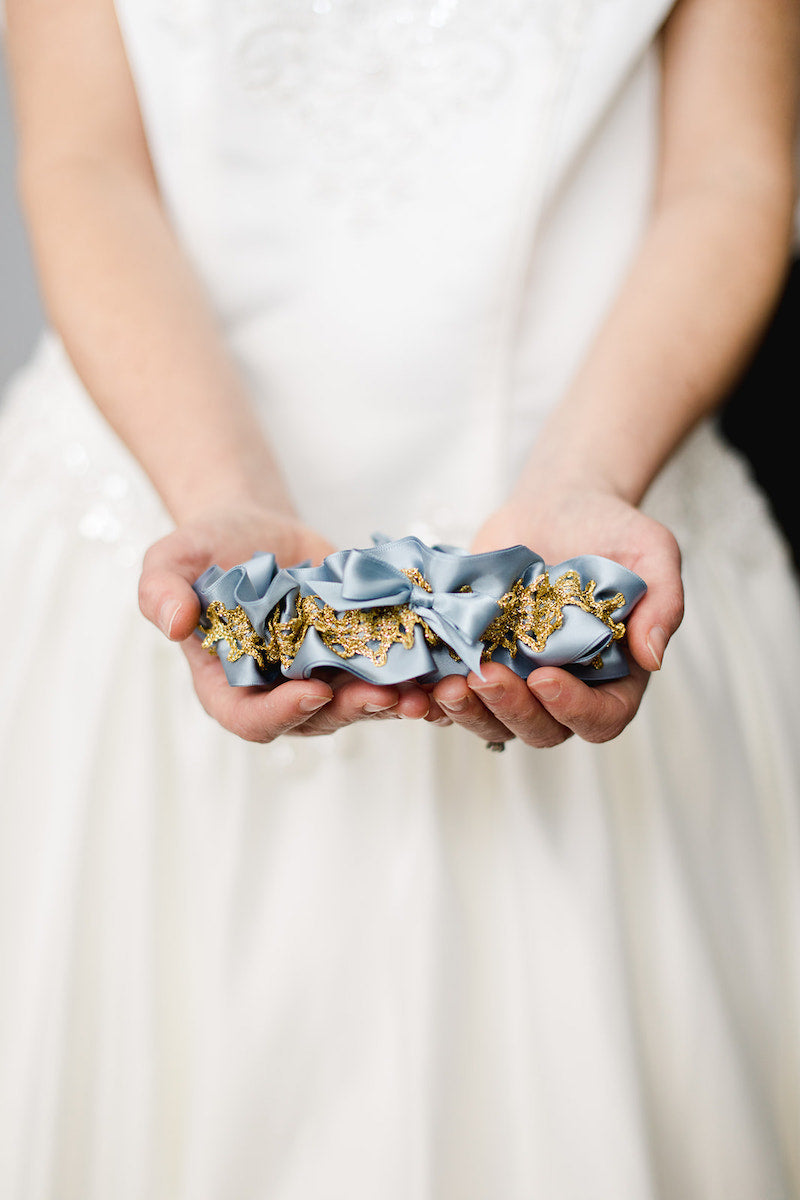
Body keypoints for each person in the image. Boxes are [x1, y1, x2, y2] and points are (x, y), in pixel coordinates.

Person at [0, 0, 798, 1197]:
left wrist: (584, 472)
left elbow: (731, 168)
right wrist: (219, 489)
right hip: (157, 482)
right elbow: (83, 156)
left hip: (603, 491)